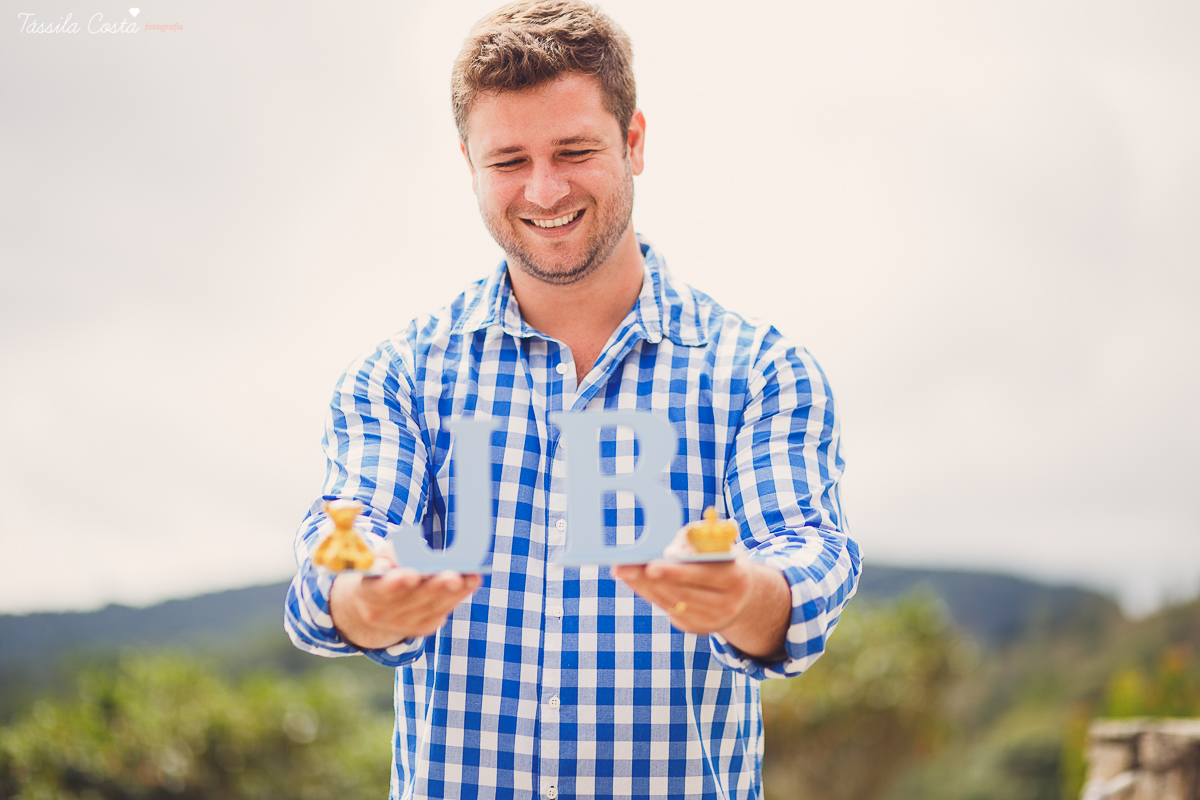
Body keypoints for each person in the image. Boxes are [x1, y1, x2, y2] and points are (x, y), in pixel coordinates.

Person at [285, 2, 862, 798]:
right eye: (509, 160)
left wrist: (743, 596)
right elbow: (345, 533)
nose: (544, 189)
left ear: (634, 141)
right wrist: (360, 597)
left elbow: (807, 556)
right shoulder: (400, 378)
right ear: (468, 162)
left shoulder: (760, 374)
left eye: (575, 150)